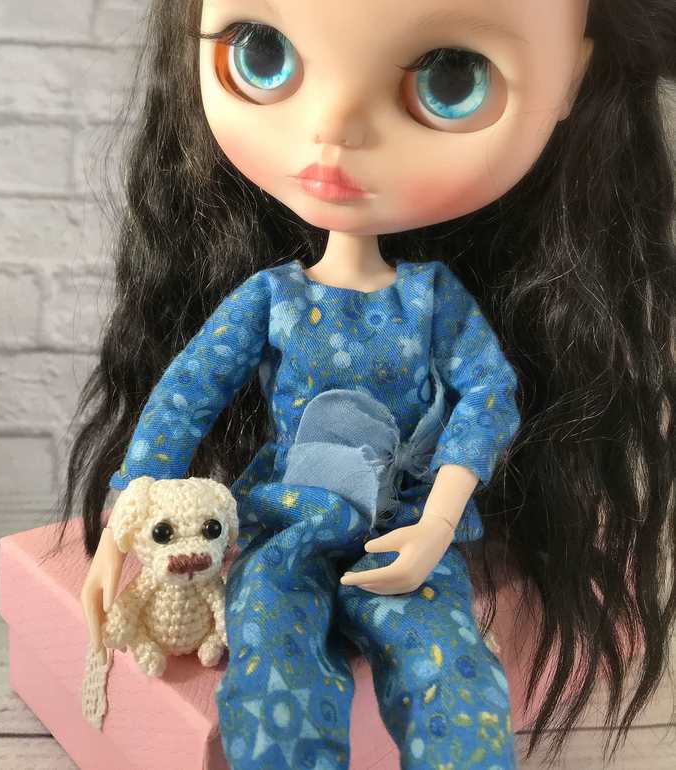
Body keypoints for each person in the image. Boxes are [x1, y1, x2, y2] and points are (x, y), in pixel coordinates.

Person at [55, 0, 676, 767]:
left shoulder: (432, 301)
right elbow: (184, 397)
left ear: (575, 78)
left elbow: (487, 398)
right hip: (286, 520)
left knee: (452, 679)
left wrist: (437, 523)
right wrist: (124, 529)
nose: (335, 127)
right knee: (272, 669)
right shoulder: (272, 299)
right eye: (262, 52)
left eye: (452, 78)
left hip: (403, 524)